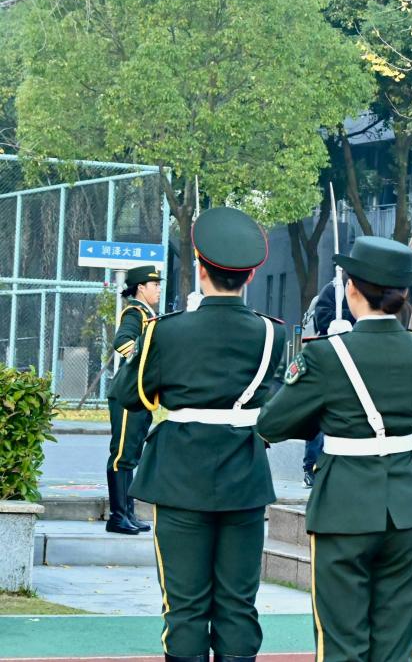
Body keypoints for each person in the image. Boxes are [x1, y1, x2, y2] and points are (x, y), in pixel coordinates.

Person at [114, 207, 287, 662]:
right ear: (251, 275)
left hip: (179, 476)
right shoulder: (271, 334)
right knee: (238, 604)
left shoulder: (166, 331)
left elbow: (128, 394)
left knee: (184, 606)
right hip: (245, 476)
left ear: (200, 269)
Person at [258, 236, 412, 662]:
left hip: (345, 504)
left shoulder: (325, 355)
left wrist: (324, 417)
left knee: (341, 641)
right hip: (409, 505)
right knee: (397, 642)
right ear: (403, 294)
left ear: (352, 289)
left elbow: (271, 423)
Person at [105, 264, 161, 535]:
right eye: (155, 285)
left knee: (131, 456)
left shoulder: (149, 314)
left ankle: (127, 513)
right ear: (141, 287)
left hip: (139, 393)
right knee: (122, 455)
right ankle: (117, 517)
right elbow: (122, 342)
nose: (159, 289)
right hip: (128, 393)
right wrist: (144, 362)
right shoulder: (135, 312)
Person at [303, 277, 359, 486]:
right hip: (328, 359)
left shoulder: (365, 291)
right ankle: (311, 468)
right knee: (319, 418)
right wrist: (344, 318)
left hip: (354, 359)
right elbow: (322, 319)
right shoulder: (331, 290)